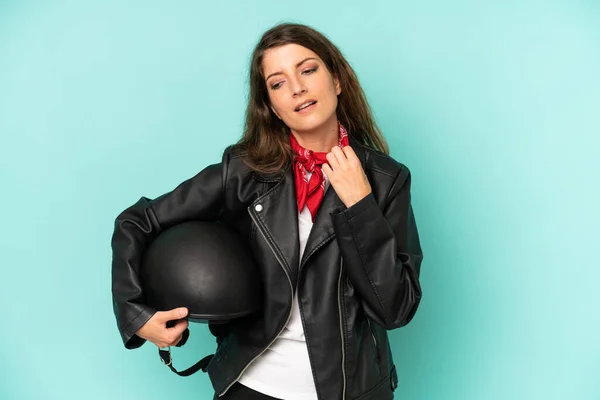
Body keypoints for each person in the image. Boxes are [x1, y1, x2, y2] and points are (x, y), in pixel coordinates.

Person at [111, 22, 423, 400]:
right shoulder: (244, 170)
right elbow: (137, 221)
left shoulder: (387, 180)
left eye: (308, 70)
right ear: (271, 106)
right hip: (251, 386)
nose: (297, 88)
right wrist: (136, 315)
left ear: (337, 80)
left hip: (349, 392)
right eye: (278, 83)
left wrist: (360, 206)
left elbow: (396, 309)